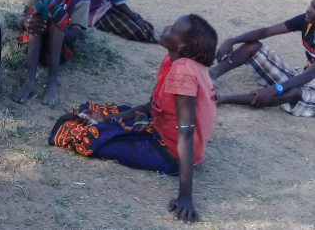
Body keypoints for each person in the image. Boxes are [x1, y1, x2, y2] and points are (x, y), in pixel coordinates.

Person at [50, 15, 218, 224]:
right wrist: (108, 119)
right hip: (160, 127)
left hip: (172, 153)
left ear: (183, 47)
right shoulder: (174, 62)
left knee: (85, 136)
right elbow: (152, 108)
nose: (166, 27)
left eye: (174, 30)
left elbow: (185, 130)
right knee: (94, 112)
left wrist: (185, 196)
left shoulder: (183, 71)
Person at [210, 0, 315, 117]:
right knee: (253, 46)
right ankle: (210, 75)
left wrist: (276, 88)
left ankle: (224, 98)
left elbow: (310, 75)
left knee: (293, 91)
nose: (309, 10)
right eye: (311, 4)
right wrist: (232, 40)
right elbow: (266, 32)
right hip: (301, 76)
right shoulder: (307, 21)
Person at [12, 0, 91, 105]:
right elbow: (24, 16)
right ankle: (30, 80)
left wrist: (53, 28)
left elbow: (75, 33)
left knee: (56, 16)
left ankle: (52, 81)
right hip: (33, 42)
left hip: (60, 48)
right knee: (40, 14)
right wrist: (26, 22)